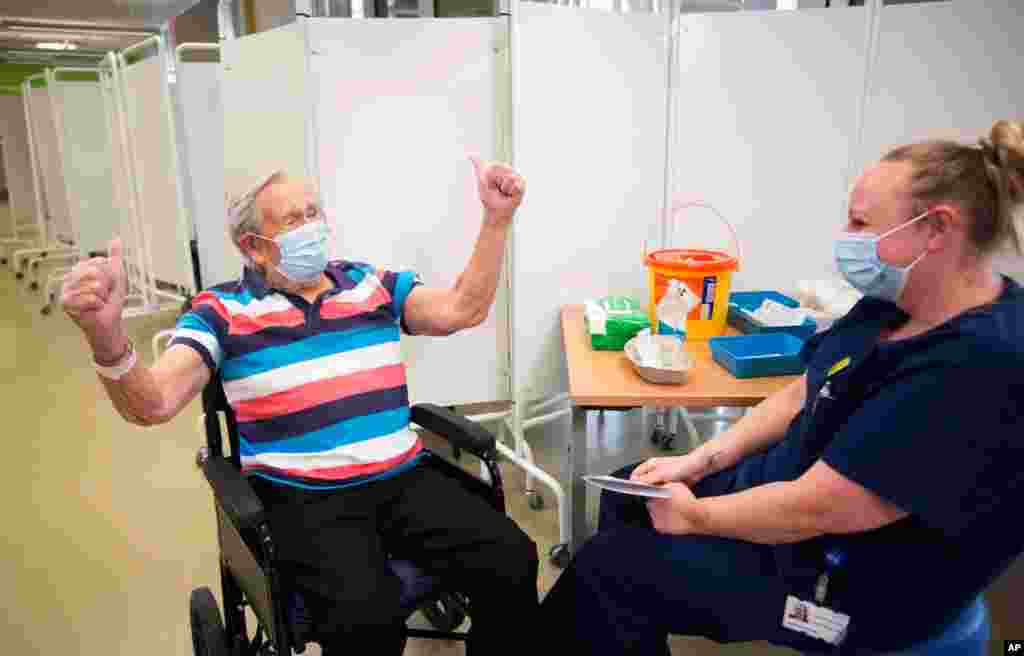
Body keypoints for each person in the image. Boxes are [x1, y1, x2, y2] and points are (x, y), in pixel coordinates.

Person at [541, 120, 1024, 654]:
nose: (848, 236)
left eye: (862, 222)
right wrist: (697, 462)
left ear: (937, 229)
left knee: (610, 572)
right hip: (796, 507)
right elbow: (802, 391)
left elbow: (821, 508)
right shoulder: (896, 305)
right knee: (631, 490)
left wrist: (697, 515)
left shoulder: (980, 364)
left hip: (854, 587)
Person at [61, 159, 539, 655]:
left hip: (403, 476)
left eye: (313, 213)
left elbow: (463, 308)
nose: (311, 226)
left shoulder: (369, 284)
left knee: (513, 559)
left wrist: (497, 220)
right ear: (252, 246)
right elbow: (153, 403)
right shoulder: (221, 312)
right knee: (368, 621)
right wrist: (106, 337)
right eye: (292, 221)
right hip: (305, 496)